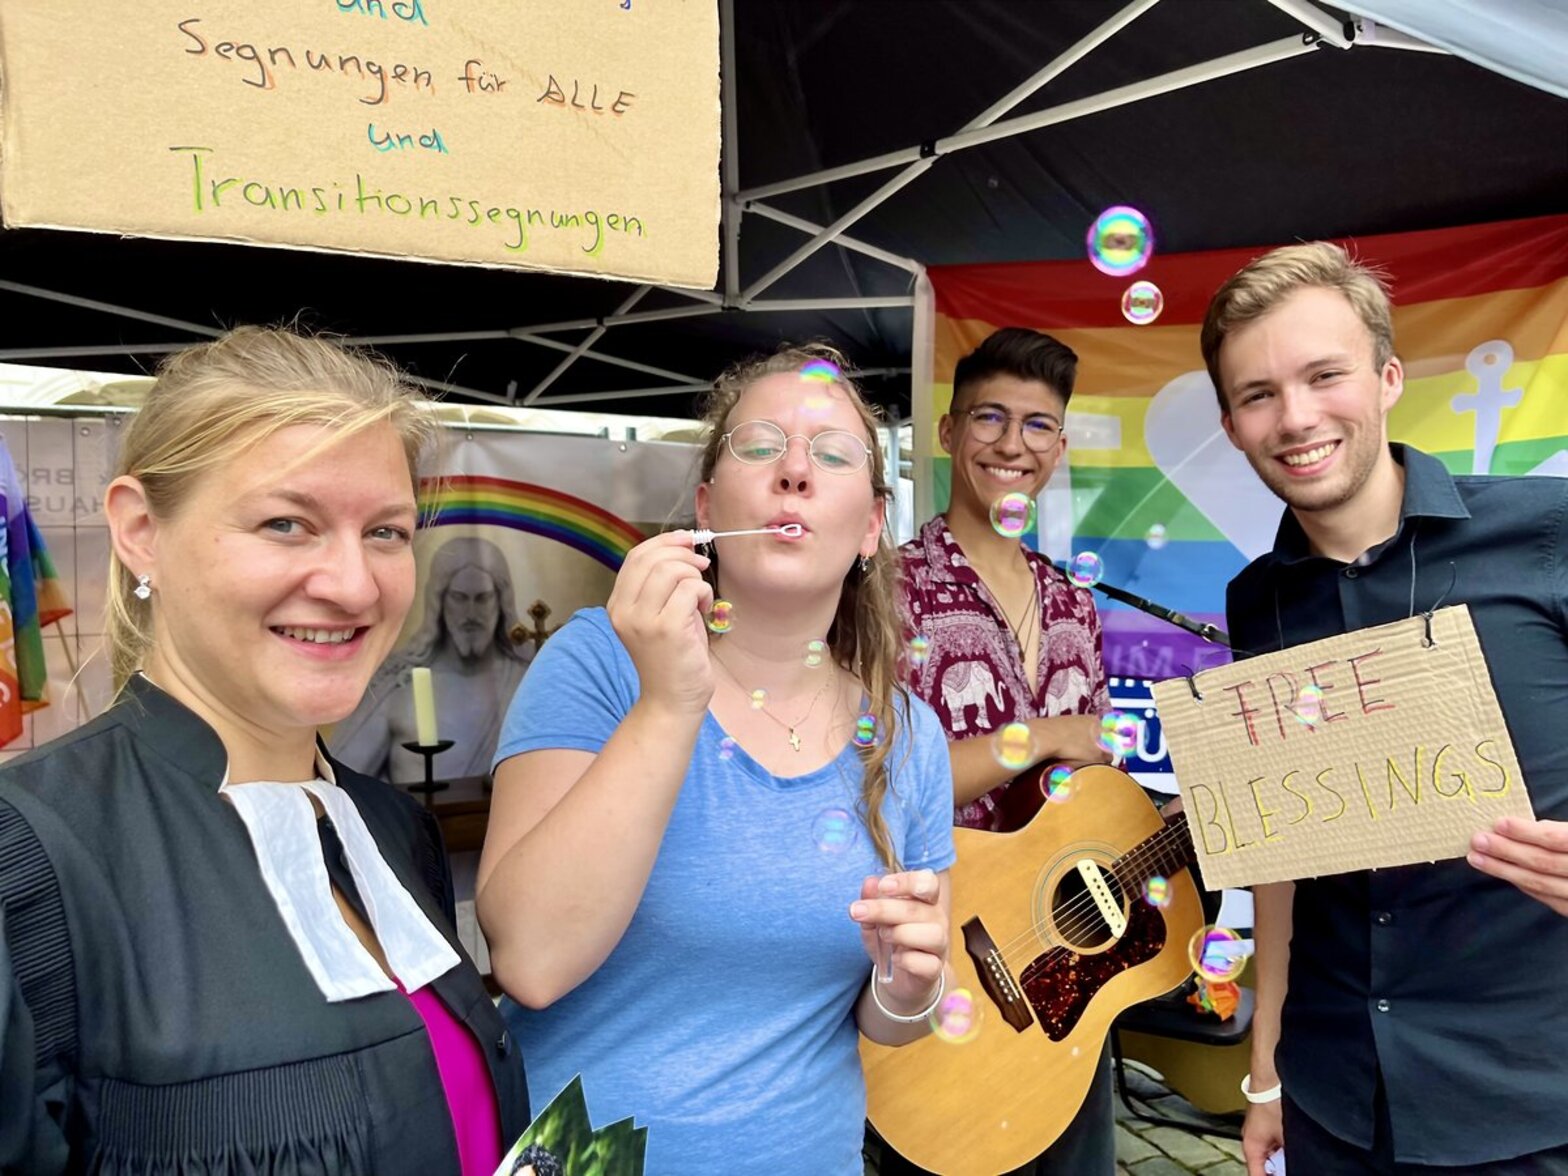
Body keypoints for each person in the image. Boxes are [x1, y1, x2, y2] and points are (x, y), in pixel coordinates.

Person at [0, 328, 529, 1173]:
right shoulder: (24, 861)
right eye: (288, 523)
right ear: (141, 530)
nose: (354, 585)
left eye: (387, 533)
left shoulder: (394, 828)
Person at [476, 346, 957, 1175]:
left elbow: (890, 1023)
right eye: (761, 446)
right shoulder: (600, 663)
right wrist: (669, 702)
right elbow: (530, 961)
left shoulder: (909, 737)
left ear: (874, 525)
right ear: (706, 503)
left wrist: (909, 990)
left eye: (833, 454)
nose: (795, 472)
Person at [1204, 242, 1568, 1174]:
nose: (1296, 417)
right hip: (1335, 1104)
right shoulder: (1260, 603)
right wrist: (1264, 1077)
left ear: (1388, 377)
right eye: (1258, 395)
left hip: (1530, 1106)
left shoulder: (1547, 534)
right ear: (1232, 424)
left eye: (1325, 376)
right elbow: (1280, 863)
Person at [890, 326, 1118, 1175]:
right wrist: (1046, 736)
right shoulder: (882, 592)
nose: (1012, 444)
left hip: (1064, 971)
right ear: (948, 434)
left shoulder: (1074, 604)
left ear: (1057, 447)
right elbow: (874, 787)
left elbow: (1083, 790)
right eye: (989, 417)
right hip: (942, 966)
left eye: (1037, 425)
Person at [334, 534, 533, 783]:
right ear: (438, 600)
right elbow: (341, 783)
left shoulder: (527, 681)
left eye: (483, 598)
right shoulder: (397, 686)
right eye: (459, 598)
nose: (471, 614)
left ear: (501, 601)